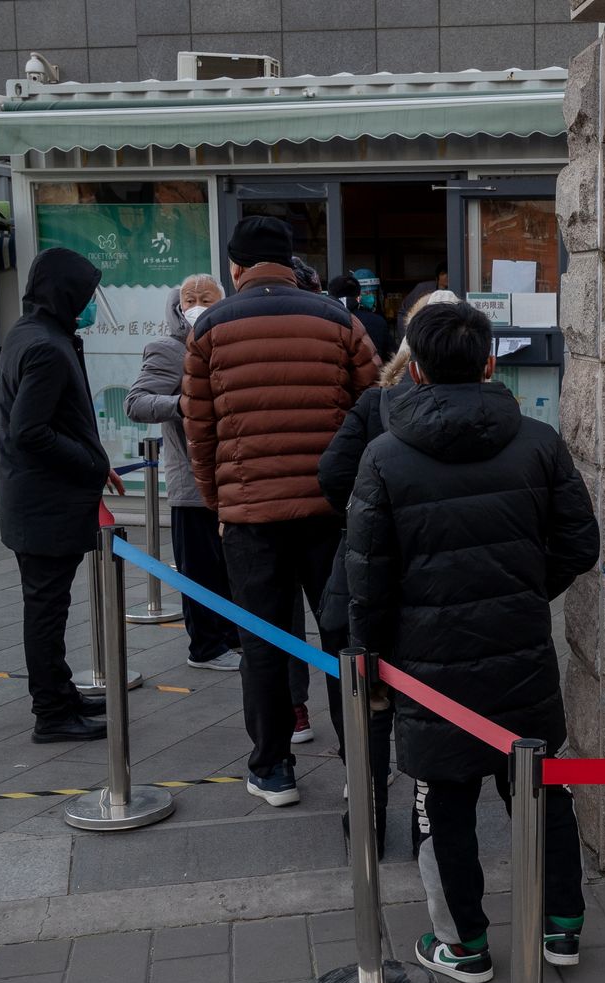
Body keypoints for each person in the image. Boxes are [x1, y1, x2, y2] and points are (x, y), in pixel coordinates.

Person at [346, 300, 598, 983]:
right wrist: (522, 590)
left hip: (426, 669)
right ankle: (562, 927)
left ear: (415, 369)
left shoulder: (385, 456)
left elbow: (365, 579)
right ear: (490, 362)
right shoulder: (538, 441)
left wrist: (369, 659)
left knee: (441, 801)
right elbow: (581, 543)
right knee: (540, 788)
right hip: (520, 653)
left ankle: (465, 945)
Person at [183, 215, 379, 807]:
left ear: (236, 269)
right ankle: (360, 766)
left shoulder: (210, 329)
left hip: (250, 519)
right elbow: (372, 412)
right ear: (291, 263)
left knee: (262, 643)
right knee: (345, 639)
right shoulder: (337, 320)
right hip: (330, 514)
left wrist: (222, 504)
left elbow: (201, 431)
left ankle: (273, 769)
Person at [318, 287, 459, 846]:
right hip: (442, 592)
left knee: (370, 705)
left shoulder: (378, 405)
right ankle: (431, 827)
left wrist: (362, 518)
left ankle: (368, 825)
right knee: (433, 713)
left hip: (365, 583)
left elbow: (332, 474)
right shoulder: (496, 416)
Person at [0, 248, 123, 743]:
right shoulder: (47, 347)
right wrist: (90, 462)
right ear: (65, 292)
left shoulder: (31, 333)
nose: (92, 303)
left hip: (36, 502)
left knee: (49, 608)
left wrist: (96, 460)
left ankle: (60, 692)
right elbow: (29, 431)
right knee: (47, 611)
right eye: (87, 294)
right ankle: (51, 712)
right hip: (45, 507)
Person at [125, 274, 239, 672]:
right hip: (191, 484)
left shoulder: (228, 340)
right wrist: (183, 404)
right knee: (200, 570)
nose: (195, 303)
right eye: (188, 297)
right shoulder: (167, 348)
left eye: (205, 297)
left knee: (228, 569)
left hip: (231, 481)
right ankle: (205, 647)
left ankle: (230, 637)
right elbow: (136, 402)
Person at [328, 272, 392, 360]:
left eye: (372, 292)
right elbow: (391, 357)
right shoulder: (377, 322)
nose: (371, 296)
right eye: (366, 292)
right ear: (358, 297)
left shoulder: (322, 321)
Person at [398, 260, 448, 337]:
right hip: (422, 335)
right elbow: (404, 312)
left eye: (449, 272)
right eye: (443, 273)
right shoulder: (423, 289)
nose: (447, 276)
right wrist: (407, 338)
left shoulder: (459, 292)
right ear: (436, 278)